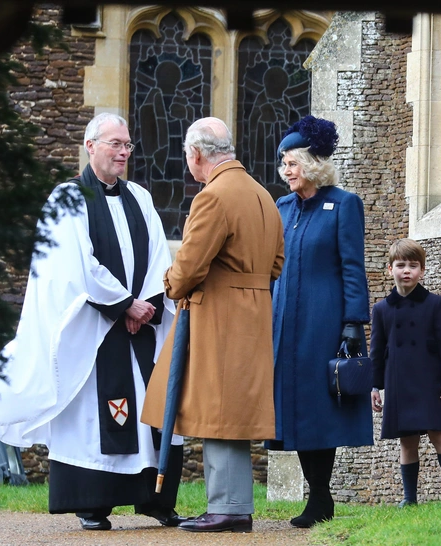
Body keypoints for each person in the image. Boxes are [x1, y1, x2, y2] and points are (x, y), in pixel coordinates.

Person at [0, 112, 186, 531]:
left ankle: (155, 501)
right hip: (94, 331)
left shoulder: (141, 197)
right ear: (90, 145)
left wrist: (145, 305)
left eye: (128, 145)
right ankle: (92, 504)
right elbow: (73, 265)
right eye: (115, 143)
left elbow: (158, 258)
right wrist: (122, 305)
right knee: (92, 417)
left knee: (148, 410)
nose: (123, 152)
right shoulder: (68, 197)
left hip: (140, 329)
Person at [141, 117, 284, 533]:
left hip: (218, 312)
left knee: (219, 408)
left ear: (197, 154)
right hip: (254, 311)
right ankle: (231, 504)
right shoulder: (264, 196)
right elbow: (276, 263)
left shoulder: (212, 197)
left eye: (188, 155)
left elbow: (187, 268)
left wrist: (170, 283)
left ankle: (227, 507)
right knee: (232, 408)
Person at [268, 115, 373, 528]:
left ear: (312, 163)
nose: (285, 172)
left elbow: (353, 267)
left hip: (324, 321)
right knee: (292, 407)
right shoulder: (281, 207)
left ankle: (319, 496)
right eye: (282, 165)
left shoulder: (344, 204)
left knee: (319, 409)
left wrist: (353, 322)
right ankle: (319, 495)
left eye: (291, 163)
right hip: (284, 322)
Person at [370, 239, 441, 506]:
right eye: (400, 265)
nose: (406, 271)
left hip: (430, 380)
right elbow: (376, 351)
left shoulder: (435, 303)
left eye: (413, 265)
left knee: (439, 434)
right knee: (407, 441)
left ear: (422, 270)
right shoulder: (381, 309)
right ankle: (409, 498)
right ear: (390, 270)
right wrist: (374, 387)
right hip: (399, 383)